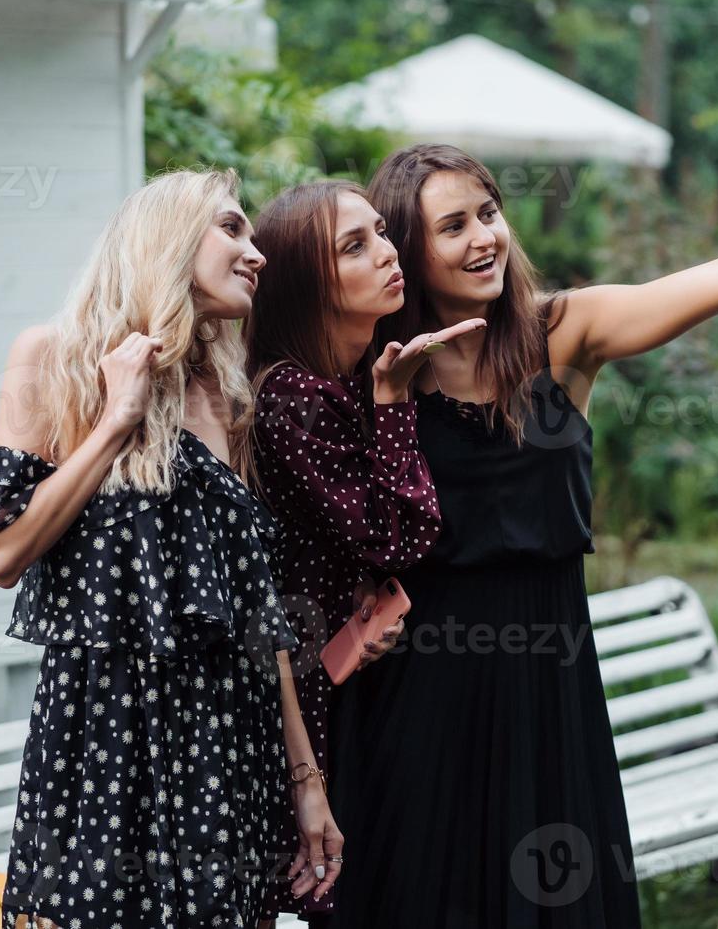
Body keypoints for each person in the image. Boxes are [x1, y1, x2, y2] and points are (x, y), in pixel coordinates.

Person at [325, 98, 718, 927]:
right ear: (407, 252)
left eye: (488, 213)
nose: (484, 238)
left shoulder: (561, 335)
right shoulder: (375, 381)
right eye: (452, 227)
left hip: (546, 681)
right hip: (421, 700)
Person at [0, 167, 343, 929]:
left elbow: (259, 619)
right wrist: (115, 423)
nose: (257, 252)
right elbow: (2, 555)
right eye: (231, 228)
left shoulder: (225, 395)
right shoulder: (52, 359)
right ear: (169, 238)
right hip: (105, 737)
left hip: (225, 745)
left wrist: (306, 782)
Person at [242, 180, 486, 925]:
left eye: (381, 233)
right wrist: (393, 406)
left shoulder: (344, 380)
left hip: (347, 678)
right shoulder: (290, 396)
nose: (387, 253)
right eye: (356, 246)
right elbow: (400, 536)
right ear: (307, 281)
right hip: (297, 702)